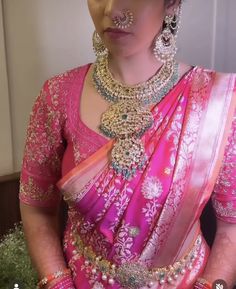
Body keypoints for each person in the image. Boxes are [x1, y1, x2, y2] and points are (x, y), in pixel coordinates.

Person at [19, 0, 236, 288]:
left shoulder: (217, 101)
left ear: (171, 3)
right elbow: (37, 207)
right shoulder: (57, 97)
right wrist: (58, 283)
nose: (111, 10)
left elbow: (231, 224)